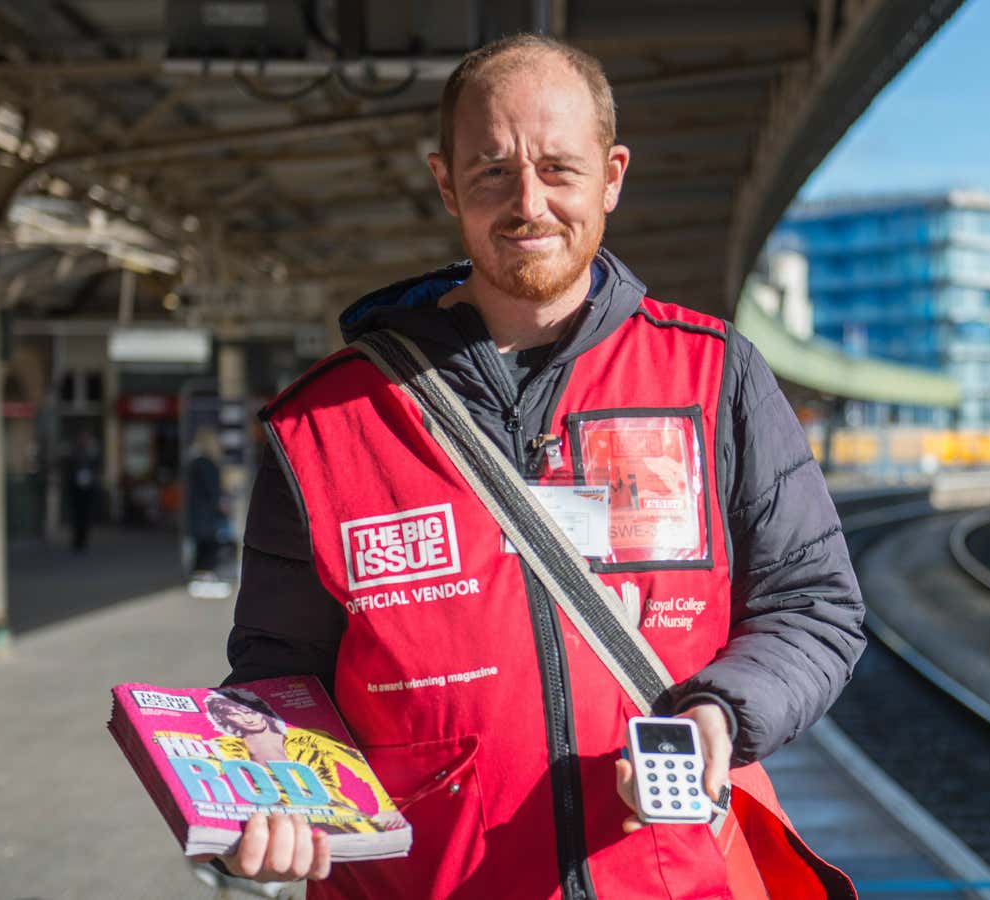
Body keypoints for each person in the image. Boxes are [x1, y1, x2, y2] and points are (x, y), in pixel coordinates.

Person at [219, 34, 865, 899]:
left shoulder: (714, 375)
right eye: (492, 172)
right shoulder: (325, 423)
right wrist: (262, 796)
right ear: (446, 182)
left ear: (613, 175)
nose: (529, 203)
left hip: (676, 882)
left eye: (559, 168)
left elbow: (814, 605)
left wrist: (720, 713)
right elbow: (279, 670)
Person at [201, 689, 406, 834]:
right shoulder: (223, 747)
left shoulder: (311, 738)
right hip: (271, 826)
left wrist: (383, 808)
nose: (246, 717)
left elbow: (360, 770)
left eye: (247, 710)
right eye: (234, 715)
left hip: (343, 820)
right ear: (227, 722)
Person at [185, 428, 227, 577]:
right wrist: (222, 505)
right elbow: (213, 490)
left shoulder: (194, 462)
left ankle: (198, 575)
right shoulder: (207, 463)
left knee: (200, 549)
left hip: (197, 514)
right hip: (207, 515)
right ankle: (204, 576)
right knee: (208, 549)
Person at [64, 430, 100, 552]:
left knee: (86, 515)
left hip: (88, 488)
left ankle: (83, 539)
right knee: (78, 515)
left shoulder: (92, 452)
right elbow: (70, 468)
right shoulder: (75, 452)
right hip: (77, 489)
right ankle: (77, 540)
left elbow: (96, 466)